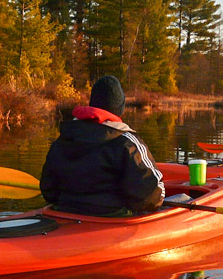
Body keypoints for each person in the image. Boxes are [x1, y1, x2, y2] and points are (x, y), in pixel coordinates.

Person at [40, 75, 164, 216]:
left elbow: (48, 191)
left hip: (66, 213)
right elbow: (150, 196)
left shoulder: (63, 139)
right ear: (119, 108)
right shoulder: (127, 142)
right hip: (111, 218)